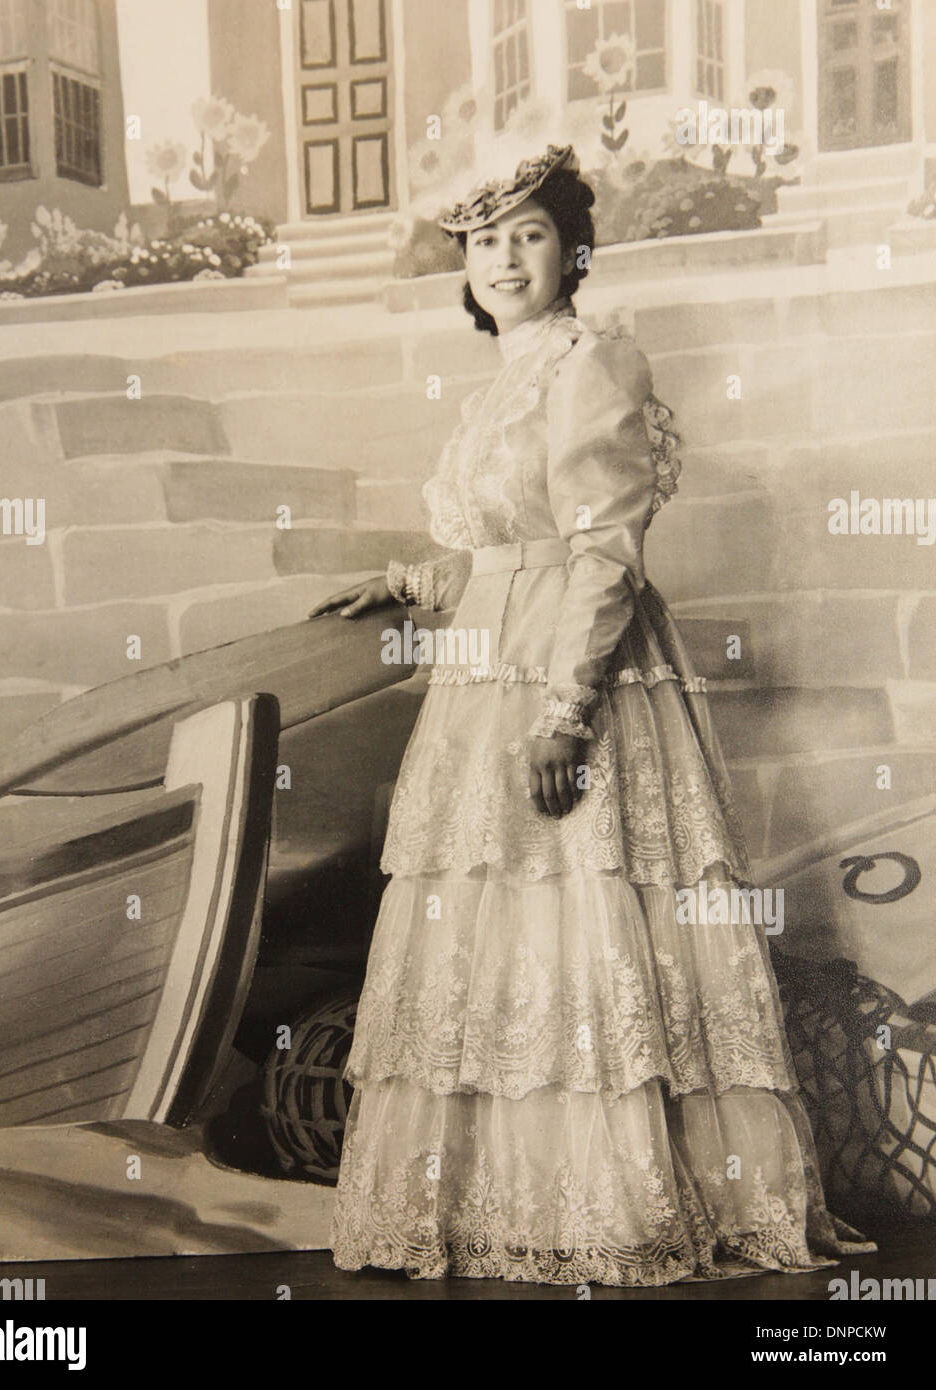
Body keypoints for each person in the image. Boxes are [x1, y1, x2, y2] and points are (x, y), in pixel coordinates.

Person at [310, 144, 874, 1284]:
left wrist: (568, 712)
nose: (504, 259)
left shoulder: (593, 360)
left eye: (527, 235)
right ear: (462, 271)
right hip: (486, 663)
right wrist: (413, 580)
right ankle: (499, 1203)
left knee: (594, 918)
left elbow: (601, 550)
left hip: (579, 666)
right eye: (482, 243)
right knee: (495, 927)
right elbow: (497, 541)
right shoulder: (499, 384)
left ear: (571, 251)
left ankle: (627, 1201)